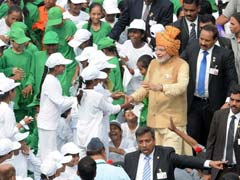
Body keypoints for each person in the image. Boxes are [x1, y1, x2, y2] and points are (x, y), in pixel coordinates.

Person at [125, 26, 191, 155]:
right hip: (154, 124)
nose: (158, 53)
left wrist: (161, 87)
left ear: (171, 50)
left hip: (173, 125)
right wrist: (132, 97)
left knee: (171, 159)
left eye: (162, 50)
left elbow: (182, 87)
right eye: (157, 49)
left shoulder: (182, 65)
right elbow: (146, 87)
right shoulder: (153, 63)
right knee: (156, 161)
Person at [181, 24, 238, 147]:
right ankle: (195, 164)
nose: (202, 42)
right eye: (201, 38)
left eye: (207, 40)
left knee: (212, 138)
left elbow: (232, 80)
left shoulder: (225, 54)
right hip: (193, 103)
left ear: (215, 40)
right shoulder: (192, 48)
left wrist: (228, 101)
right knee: (192, 136)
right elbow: (179, 63)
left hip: (215, 105)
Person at [124, 126, 225, 180]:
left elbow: (186, 160)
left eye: (147, 141)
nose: (144, 145)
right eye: (141, 142)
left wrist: (209, 163)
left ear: (154, 140)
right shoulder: (130, 158)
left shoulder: (165, 154)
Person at [37, 52, 76, 161]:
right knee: (47, 154)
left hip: (50, 122)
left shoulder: (53, 80)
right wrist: (75, 99)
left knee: (49, 152)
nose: (64, 68)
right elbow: (60, 102)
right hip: (47, 124)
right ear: (56, 67)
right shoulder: (50, 81)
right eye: (62, 66)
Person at [203, 84, 240, 180]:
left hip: (237, 170)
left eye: (238, 101)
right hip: (219, 169)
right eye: (232, 100)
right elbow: (210, 144)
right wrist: (207, 172)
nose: (233, 104)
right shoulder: (219, 115)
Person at [0, 27, 35, 122]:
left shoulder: (29, 55)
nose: (21, 45)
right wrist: (11, 72)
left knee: (28, 119)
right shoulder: (5, 55)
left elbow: (32, 72)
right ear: (12, 41)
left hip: (27, 94)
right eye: (19, 43)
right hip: (13, 94)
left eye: (23, 42)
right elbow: (1, 72)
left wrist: (29, 84)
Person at [45, 6, 77, 96]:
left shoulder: (71, 26)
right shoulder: (49, 28)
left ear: (62, 18)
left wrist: (73, 39)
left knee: (68, 91)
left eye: (57, 22)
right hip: (56, 65)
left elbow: (78, 43)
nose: (56, 25)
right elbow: (47, 45)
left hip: (70, 64)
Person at [109, 0, 173, 41]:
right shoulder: (131, 2)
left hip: (153, 45)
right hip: (132, 42)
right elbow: (121, 23)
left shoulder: (166, 6)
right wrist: (110, 39)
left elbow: (164, 29)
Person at [119, 19, 152, 94]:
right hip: (127, 83)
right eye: (131, 32)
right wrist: (123, 63)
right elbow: (121, 58)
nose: (132, 35)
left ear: (142, 35)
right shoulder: (127, 44)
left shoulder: (147, 51)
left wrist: (134, 72)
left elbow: (147, 70)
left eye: (135, 32)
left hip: (139, 85)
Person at [0, 73, 32, 139]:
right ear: (10, 93)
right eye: (14, 90)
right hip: (5, 144)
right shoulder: (7, 110)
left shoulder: (5, 107)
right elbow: (9, 133)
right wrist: (23, 122)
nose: (16, 92)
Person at [136, 54, 152, 126]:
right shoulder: (145, 77)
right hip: (145, 107)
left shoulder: (152, 79)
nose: (140, 72)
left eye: (141, 69)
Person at [229, 12, 240, 83]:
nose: (230, 26)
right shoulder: (228, 39)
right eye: (230, 23)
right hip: (234, 84)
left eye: (232, 24)